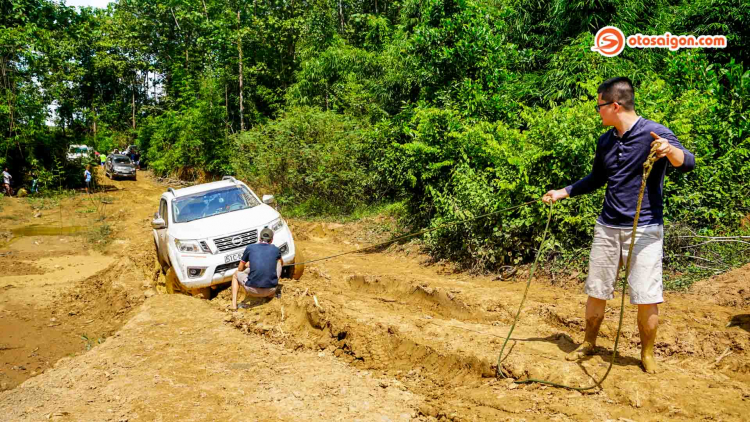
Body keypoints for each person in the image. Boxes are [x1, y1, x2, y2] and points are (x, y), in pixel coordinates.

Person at [543, 77, 695, 374]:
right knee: (596, 290)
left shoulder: (656, 133)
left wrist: (668, 150)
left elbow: (687, 162)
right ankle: (588, 343)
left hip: (646, 229)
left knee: (646, 296)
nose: (597, 111)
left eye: (599, 106)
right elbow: (597, 179)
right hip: (608, 227)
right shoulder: (606, 140)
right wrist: (563, 192)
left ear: (615, 105)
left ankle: (647, 354)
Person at [230, 228, 282, 310]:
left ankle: (233, 306)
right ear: (271, 240)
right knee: (278, 262)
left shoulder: (250, 248)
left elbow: (240, 268)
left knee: (235, 275)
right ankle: (271, 294)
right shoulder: (276, 249)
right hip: (271, 289)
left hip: (253, 291)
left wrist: (248, 265)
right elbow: (279, 264)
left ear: (259, 238)